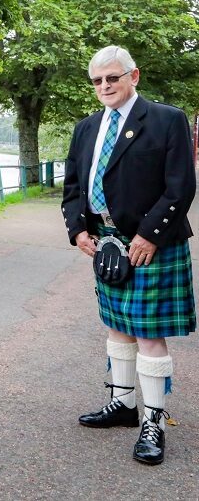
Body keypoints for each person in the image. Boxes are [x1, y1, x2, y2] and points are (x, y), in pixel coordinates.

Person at [62, 45, 196, 465]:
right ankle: (123, 404)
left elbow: (180, 187)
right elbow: (72, 187)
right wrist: (78, 229)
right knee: (117, 327)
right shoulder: (86, 128)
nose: (104, 86)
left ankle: (152, 421)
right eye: (98, 81)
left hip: (151, 242)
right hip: (105, 241)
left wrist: (150, 235)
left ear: (133, 76)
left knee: (148, 334)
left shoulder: (166, 119)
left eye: (112, 78)